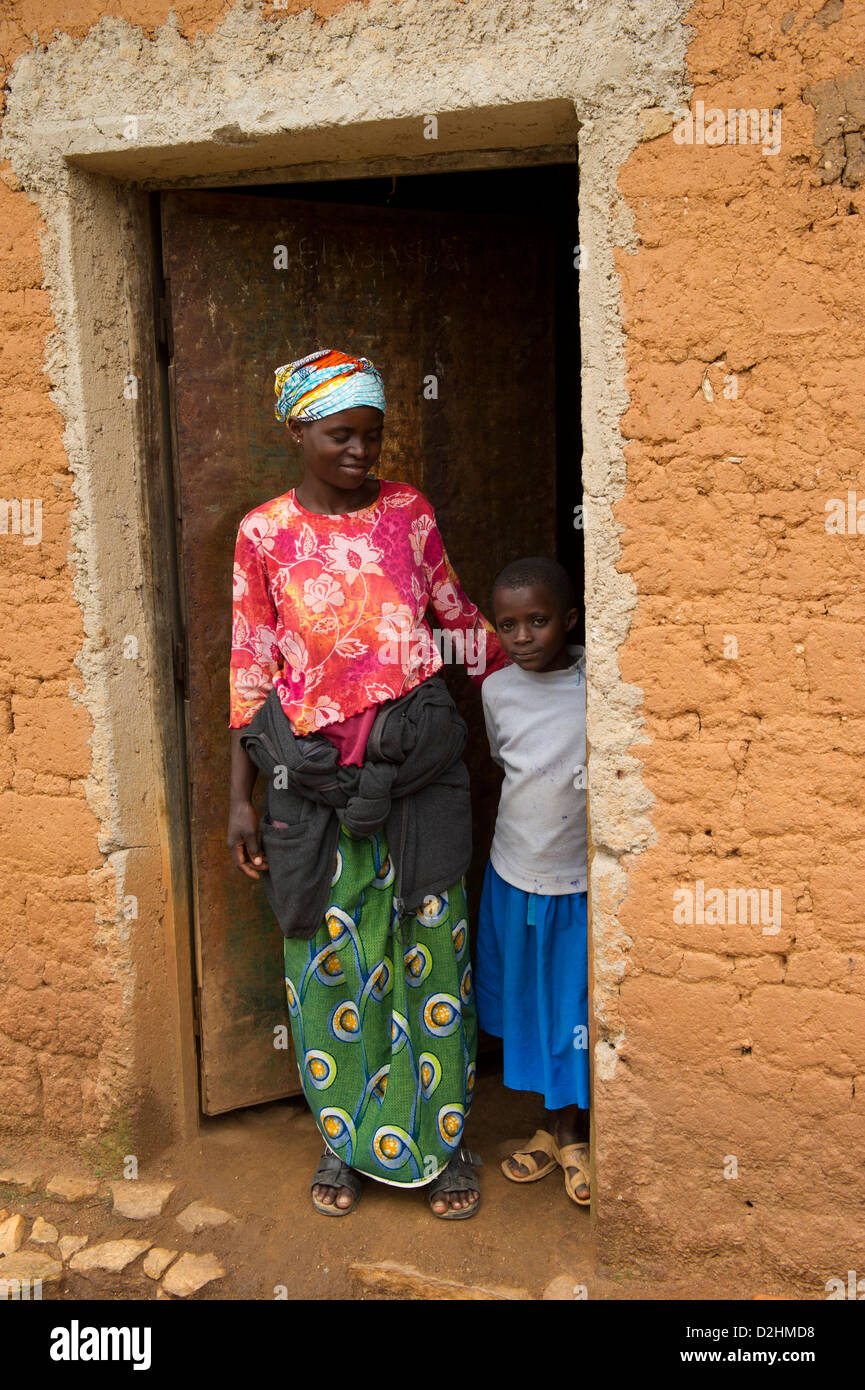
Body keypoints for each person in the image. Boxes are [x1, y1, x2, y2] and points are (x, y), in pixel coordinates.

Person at [226, 348, 507, 1218]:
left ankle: (438, 1143)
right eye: (341, 435)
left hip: (416, 773)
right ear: (297, 431)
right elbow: (250, 665)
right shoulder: (263, 534)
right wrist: (236, 798)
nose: (359, 452)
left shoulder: (406, 512)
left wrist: (544, 690)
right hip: (311, 781)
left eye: (372, 437)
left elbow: (455, 619)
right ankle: (346, 1141)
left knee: (430, 958)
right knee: (332, 961)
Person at [474, 556, 591, 1205]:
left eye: (538, 621)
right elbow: (504, 759)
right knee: (535, 1003)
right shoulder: (497, 690)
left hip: (576, 884)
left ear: (569, 620)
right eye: (508, 624)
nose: (521, 636)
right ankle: (550, 1129)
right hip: (516, 873)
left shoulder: (596, 680)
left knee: (572, 1007)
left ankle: (570, 1133)